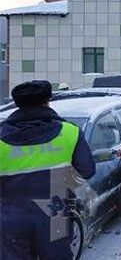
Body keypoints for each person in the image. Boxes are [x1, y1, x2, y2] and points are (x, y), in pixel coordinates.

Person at [0, 80, 95, 260]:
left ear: (17, 104)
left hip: (10, 216)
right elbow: (87, 170)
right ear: (48, 100)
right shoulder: (69, 132)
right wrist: (57, 185)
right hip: (56, 211)